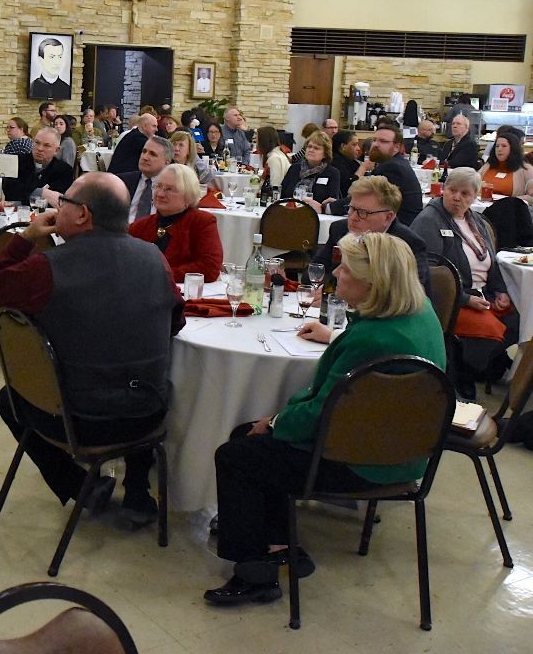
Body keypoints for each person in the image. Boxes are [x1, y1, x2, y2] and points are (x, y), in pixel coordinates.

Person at [203, 233, 445, 607]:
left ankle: (255, 573)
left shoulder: (370, 339)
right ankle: (279, 542)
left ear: (373, 283)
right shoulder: (420, 312)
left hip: (361, 461)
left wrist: (276, 420)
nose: (336, 272)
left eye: (345, 268)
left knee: (237, 451)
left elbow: (321, 412)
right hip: (408, 452)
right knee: (257, 442)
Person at [0, 172, 184, 524]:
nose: (57, 206)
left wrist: (26, 236)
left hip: (79, 420)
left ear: (83, 214)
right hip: (147, 413)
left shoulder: (47, 268)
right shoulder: (155, 259)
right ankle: (137, 491)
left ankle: (82, 487)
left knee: (8, 399)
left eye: (64, 202)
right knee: (138, 372)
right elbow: (174, 323)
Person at [411, 168, 519, 399]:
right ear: (443, 190)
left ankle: (478, 366)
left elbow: (493, 259)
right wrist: (466, 299)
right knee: (491, 333)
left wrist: (500, 291)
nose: (457, 197)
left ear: (474, 197)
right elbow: (430, 276)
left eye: (465, 193)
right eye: (452, 190)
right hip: (451, 301)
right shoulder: (428, 221)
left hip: (484, 294)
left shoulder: (477, 221)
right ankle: (464, 372)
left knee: (520, 318)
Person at [310, 176, 430, 294]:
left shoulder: (408, 243)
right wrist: (327, 291)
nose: (353, 217)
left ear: (388, 217)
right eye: (351, 208)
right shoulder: (340, 229)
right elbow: (314, 272)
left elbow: (410, 295)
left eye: (362, 212)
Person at [128, 164, 223, 282]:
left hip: (185, 296)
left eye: (169, 189)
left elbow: (209, 267)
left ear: (188, 196)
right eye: (158, 186)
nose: (160, 194)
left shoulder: (202, 222)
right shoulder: (139, 227)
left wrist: (162, 276)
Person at [326, 123, 422, 224]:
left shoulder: (393, 168)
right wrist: (337, 203)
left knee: (337, 227)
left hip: (396, 231)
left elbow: (365, 197)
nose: (375, 144)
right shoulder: (393, 163)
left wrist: (328, 208)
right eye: (374, 140)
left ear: (396, 147)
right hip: (388, 224)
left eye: (383, 141)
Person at [2, 127, 76, 205]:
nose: (40, 148)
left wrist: (27, 193)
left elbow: (56, 201)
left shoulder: (64, 170)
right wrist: (42, 192)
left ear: (56, 150)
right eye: (37, 143)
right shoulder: (17, 161)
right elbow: (9, 191)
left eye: (47, 146)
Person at [280, 130, 341, 211]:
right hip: (289, 211)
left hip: (317, 215)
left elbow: (331, 202)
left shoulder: (332, 173)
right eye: (309, 146)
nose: (311, 150)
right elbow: (282, 194)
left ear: (325, 153)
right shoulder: (294, 168)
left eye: (316, 148)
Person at [478, 128, 533, 202]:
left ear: (513, 149)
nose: (499, 149)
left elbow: (531, 197)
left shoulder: (526, 170)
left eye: (504, 146)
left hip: (510, 209)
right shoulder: (487, 166)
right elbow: (472, 184)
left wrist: (512, 200)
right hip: (482, 207)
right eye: (497, 146)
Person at [125, 135, 171, 221]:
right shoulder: (123, 182)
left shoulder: (171, 189)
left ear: (166, 163)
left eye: (152, 154)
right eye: (144, 151)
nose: (145, 157)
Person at [107, 112, 158, 177]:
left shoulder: (133, 135)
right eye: (154, 126)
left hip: (118, 176)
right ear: (145, 126)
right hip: (120, 180)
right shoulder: (138, 139)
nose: (156, 129)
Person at [257, 126, 291, 190]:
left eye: (257, 141)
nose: (256, 145)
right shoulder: (278, 154)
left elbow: (275, 186)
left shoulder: (274, 158)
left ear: (263, 142)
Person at [329, 130, 361, 196]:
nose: (358, 148)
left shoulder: (352, 162)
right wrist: (363, 168)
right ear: (343, 146)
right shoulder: (335, 163)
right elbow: (348, 187)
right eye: (354, 145)